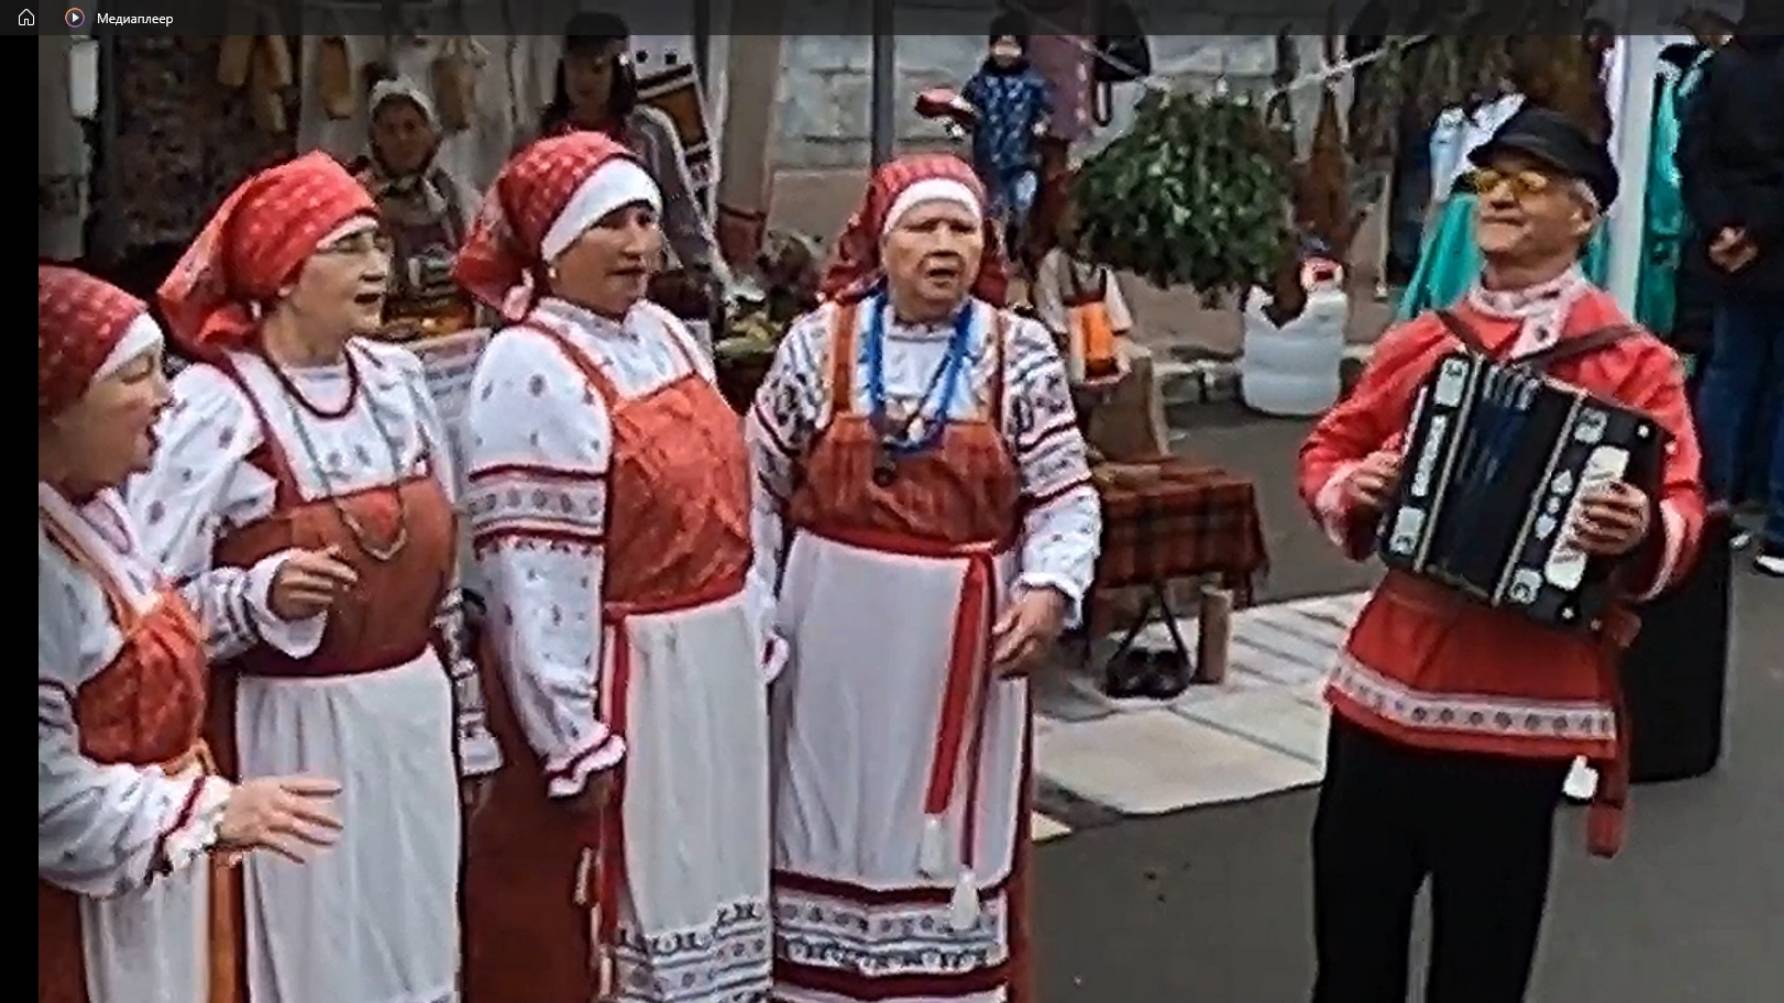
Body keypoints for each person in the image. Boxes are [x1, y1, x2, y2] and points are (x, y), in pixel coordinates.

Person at [1298, 106, 1707, 1003]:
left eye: (1529, 182)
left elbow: (1682, 504)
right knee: (1351, 949)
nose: (1501, 197)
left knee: (1481, 966)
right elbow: (1329, 448)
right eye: (1489, 180)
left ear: (1583, 216)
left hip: (1520, 705)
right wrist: (1358, 483)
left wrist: (1639, 526)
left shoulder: (1632, 364)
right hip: (1384, 688)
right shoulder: (1423, 341)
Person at [128, 151, 501, 1003]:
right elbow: (142, 612)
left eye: (379, 244)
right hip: (291, 734)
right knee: (316, 946)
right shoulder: (214, 407)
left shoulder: (399, 379)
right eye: (349, 247)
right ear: (284, 271)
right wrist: (254, 597)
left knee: (412, 936)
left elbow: (446, 575)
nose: (378, 267)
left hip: (410, 720)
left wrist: (468, 718)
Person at [747, 154, 1101, 1002]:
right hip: (827, 638)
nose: (944, 246)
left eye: (961, 228)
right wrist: (756, 607)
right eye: (923, 227)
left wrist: (1048, 587)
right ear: (881, 241)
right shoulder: (819, 345)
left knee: (937, 837)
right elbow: (754, 481)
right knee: (822, 810)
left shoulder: (1018, 354)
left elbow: (1064, 493)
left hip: (955, 648)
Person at [453, 131, 774, 1003]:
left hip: (709, 664)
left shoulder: (666, 334)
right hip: (632, 679)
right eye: (610, 224)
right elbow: (531, 577)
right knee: (637, 892)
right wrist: (571, 728)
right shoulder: (529, 365)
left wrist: (751, 619)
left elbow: (729, 501)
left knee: (713, 873)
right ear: (554, 246)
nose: (638, 244)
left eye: (645, 219)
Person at [38, 265, 344, 1003]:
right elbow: (46, 797)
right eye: (135, 376)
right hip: (83, 921)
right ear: (56, 406)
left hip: (151, 891)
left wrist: (254, 596)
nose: (167, 396)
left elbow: (151, 647)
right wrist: (205, 812)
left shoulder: (95, 514)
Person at [525, 11, 731, 301]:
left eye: (597, 69)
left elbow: (682, 213)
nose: (584, 80)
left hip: (632, 281)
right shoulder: (540, 134)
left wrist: (714, 281)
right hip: (558, 287)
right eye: (575, 67)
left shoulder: (650, 132)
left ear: (620, 72)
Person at [1679, 14, 1784, 574]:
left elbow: (1692, 154)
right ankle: (1780, 531)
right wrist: (1760, 232)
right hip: (1772, 239)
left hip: (1728, 250)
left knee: (1727, 376)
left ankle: (1709, 503)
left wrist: (1723, 227)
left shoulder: (1722, 67)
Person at [347, 75, 477, 339]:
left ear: (431, 134)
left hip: (457, 340)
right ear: (375, 138)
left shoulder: (459, 197)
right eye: (390, 130)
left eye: (411, 127)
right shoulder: (354, 202)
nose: (402, 139)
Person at [960, 13, 1054, 270]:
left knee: (1023, 201)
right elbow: (966, 109)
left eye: (1012, 46)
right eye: (1000, 45)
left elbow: (1046, 108)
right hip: (989, 158)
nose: (1005, 52)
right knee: (992, 208)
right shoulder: (980, 82)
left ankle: (1017, 234)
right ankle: (996, 254)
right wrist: (959, 124)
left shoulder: (1033, 82)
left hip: (1023, 157)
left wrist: (1042, 124)